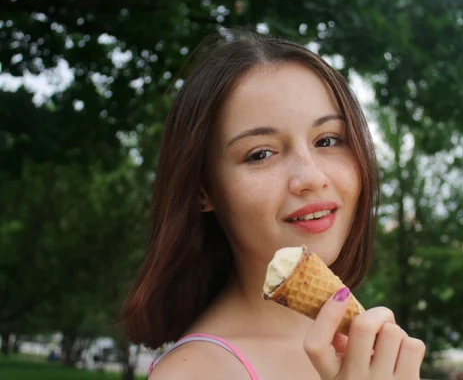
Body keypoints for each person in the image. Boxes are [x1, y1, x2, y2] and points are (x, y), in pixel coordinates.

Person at [119, 28, 425, 380]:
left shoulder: (365, 348)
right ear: (203, 190)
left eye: (327, 140)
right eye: (260, 153)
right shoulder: (193, 373)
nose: (310, 177)